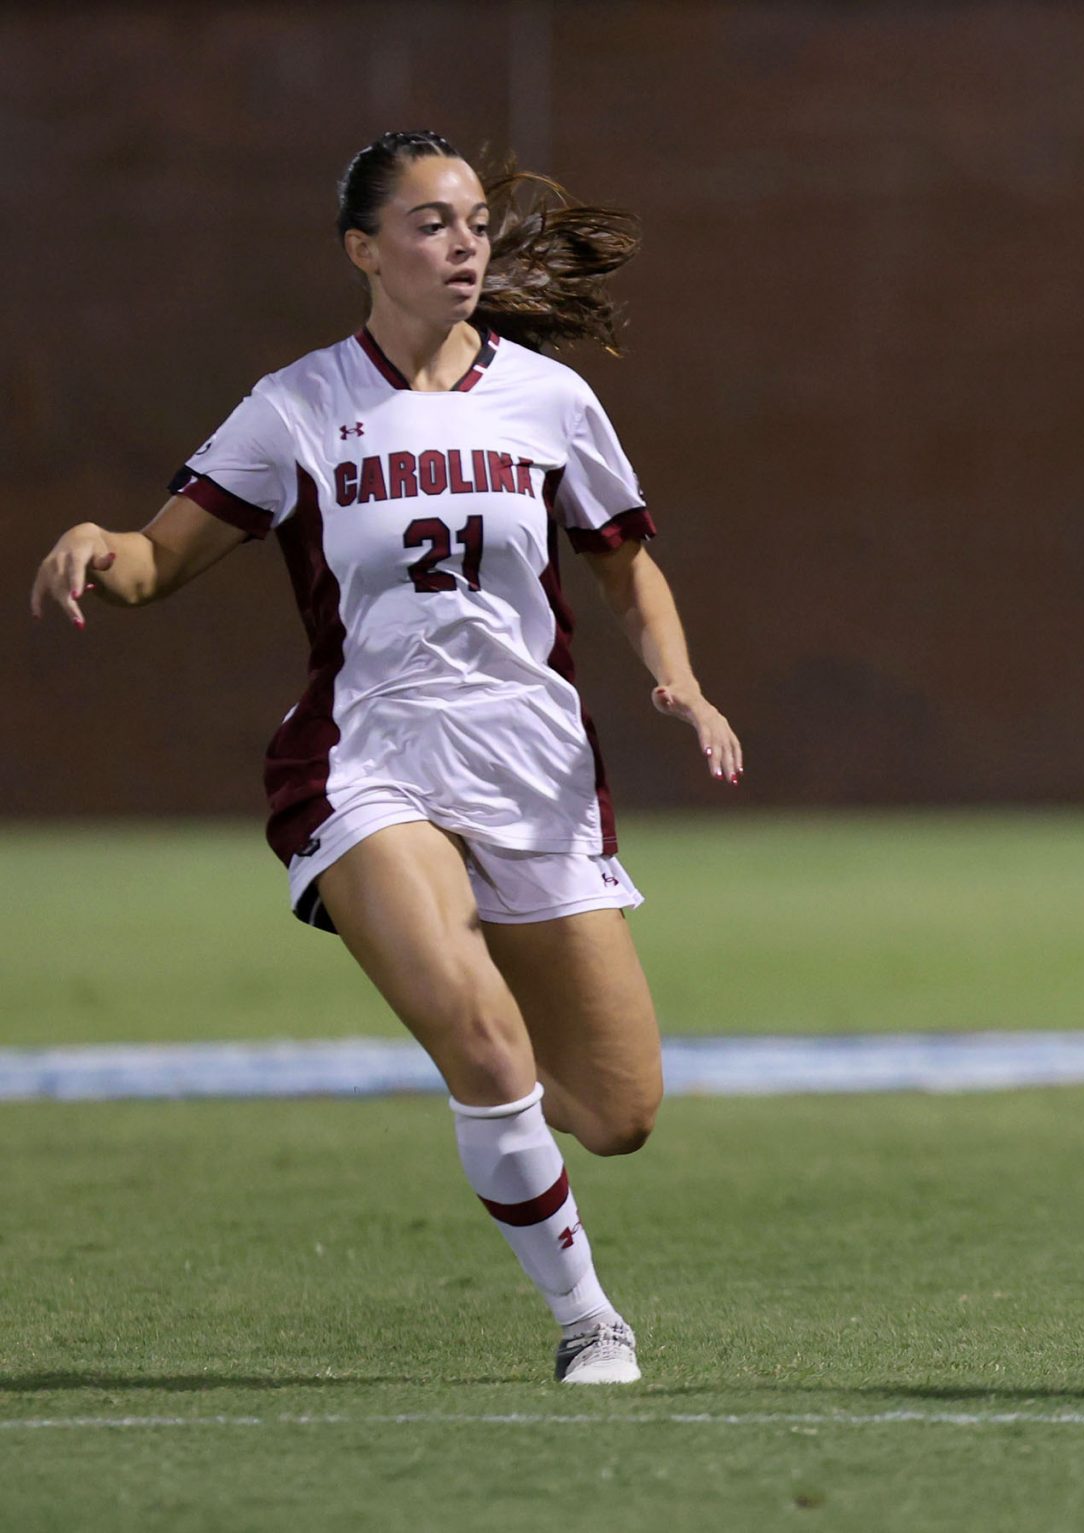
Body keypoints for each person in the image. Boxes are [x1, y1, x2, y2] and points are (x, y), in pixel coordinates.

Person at [29, 131, 744, 1385]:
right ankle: (590, 1321)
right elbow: (157, 562)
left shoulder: (549, 400)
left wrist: (675, 677)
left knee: (619, 1111)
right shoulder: (298, 404)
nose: (463, 242)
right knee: (483, 1043)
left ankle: (499, 1100)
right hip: (369, 761)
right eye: (429, 223)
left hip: (532, 768)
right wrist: (100, 542)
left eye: (471, 221)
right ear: (363, 250)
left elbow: (626, 564)